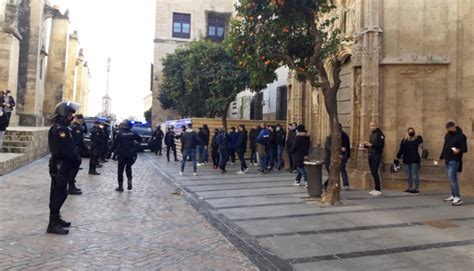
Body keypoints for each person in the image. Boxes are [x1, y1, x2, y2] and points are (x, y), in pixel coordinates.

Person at [47, 101, 81, 234]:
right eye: (70, 114)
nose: (71, 117)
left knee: (60, 193)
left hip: (62, 165)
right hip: (60, 165)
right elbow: (67, 149)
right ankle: (53, 224)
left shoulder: (63, 128)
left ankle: (56, 219)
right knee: (58, 195)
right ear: (64, 114)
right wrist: (76, 159)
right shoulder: (60, 129)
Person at [436, 121, 468, 206]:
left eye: (450, 129)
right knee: (451, 178)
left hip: (455, 160)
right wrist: (440, 157)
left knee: (452, 178)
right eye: (448, 129)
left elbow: (465, 149)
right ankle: (453, 195)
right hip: (447, 159)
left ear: (454, 127)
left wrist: (459, 150)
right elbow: (445, 146)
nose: (449, 130)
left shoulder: (461, 136)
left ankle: (458, 198)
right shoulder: (447, 135)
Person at [113, 120, 142, 192]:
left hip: (122, 154)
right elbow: (140, 139)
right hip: (130, 154)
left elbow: (114, 144)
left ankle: (120, 187)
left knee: (120, 170)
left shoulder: (120, 134)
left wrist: (110, 152)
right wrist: (135, 147)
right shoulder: (133, 133)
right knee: (128, 167)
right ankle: (129, 181)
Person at [323, 124, 351, 191]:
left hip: (337, 155)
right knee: (339, 171)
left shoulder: (334, 136)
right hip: (337, 155)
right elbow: (328, 147)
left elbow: (347, 146)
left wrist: (347, 156)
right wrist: (346, 155)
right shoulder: (332, 136)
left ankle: (344, 184)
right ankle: (344, 184)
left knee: (339, 170)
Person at [396, 127, 423, 195]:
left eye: (412, 131)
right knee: (408, 175)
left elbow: (420, 141)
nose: (411, 133)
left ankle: (416, 189)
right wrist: (398, 156)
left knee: (414, 175)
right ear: (407, 132)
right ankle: (410, 188)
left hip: (414, 160)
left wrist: (416, 136)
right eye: (410, 132)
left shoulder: (416, 139)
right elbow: (401, 150)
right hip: (406, 160)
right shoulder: (404, 140)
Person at [363, 121, 385, 196]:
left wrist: (371, 145)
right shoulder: (371, 134)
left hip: (376, 155)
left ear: (376, 125)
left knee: (375, 171)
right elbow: (371, 145)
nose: (372, 127)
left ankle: (378, 189)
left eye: (373, 125)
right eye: (370, 125)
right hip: (371, 154)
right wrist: (365, 145)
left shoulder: (380, 134)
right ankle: (375, 188)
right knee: (372, 172)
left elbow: (381, 145)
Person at [68, 114, 88, 195]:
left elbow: (85, 131)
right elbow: (79, 141)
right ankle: (71, 187)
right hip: (75, 150)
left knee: (71, 168)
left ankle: (71, 186)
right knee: (74, 168)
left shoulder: (71, 126)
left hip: (71, 150)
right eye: (82, 120)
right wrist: (86, 148)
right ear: (80, 120)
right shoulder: (77, 128)